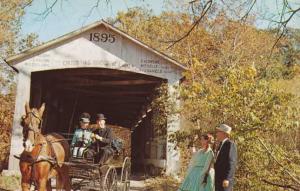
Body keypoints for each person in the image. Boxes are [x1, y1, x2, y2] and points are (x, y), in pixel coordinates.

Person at [215, 124, 238, 191]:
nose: (217, 134)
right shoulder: (221, 144)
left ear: (224, 133)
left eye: (218, 131)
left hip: (224, 180)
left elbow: (232, 162)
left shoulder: (230, 144)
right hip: (218, 179)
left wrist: (227, 178)